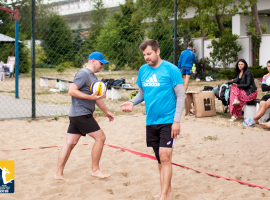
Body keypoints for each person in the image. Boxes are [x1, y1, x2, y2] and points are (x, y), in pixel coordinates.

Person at [120, 39, 185, 200]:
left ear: (158, 51)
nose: (146, 57)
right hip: (151, 121)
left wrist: (176, 121)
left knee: (165, 156)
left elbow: (181, 95)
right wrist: (132, 102)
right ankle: (167, 191)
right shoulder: (143, 70)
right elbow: (142, 94)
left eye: (149, 53)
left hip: (168, 120)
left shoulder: (171, 69)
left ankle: (163, 195)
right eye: (144, 55)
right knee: (159, 158)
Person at [53, 52, 114, 181]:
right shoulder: (84, 74)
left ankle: (58, 173)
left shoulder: (92, 77)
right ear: (93, 61)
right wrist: (89, 97)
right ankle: (95, 170)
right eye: (101, 63)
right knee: (100, 137)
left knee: (70, 143)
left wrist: (106, 112)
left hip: (77, 114)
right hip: (82, 113)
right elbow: (71, 90)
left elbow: (96, 99)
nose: (102, 66)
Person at [243, 60, 270, 127]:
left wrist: (268, 87)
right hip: (267, 95)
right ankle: (253, 122)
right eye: (268, 66)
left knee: (265, 105)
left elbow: (266, 87)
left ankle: (252, 119)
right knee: (261, 104)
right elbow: (263, 88)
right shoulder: (265, 76)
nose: (269, 68)